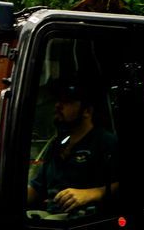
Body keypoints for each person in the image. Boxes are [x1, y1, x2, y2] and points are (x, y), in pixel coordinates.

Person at [29, 79, 118, 214]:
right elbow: (36, 188)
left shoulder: (106, 142)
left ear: (87, 111)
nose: (58, 106)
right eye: (58, 101)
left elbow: (130, 183)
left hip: (84, 222)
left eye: (67, 102)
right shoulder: (56, 146)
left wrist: (94, 193)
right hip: (50, 220)